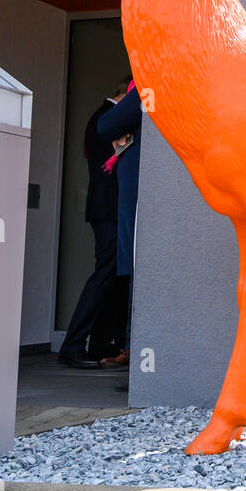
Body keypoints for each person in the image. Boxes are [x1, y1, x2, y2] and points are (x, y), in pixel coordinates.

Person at [58, 80, 130, 368]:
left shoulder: (102, 115)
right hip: (108, 208)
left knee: (112, 275)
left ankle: (99, 343)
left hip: (109, 208)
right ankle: (73, 344)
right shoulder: (105, 117)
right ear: (125, 92)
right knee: (104, 274)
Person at [97, 80, 143, 390]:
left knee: (137, 266)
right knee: (133, 266)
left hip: (141, 194)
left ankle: (134, 351)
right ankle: (130, 348)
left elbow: (108, 125)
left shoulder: (150, 79)